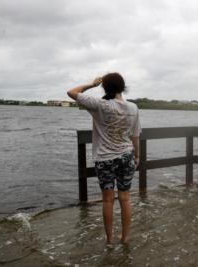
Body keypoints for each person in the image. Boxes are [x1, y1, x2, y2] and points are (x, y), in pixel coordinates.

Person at [67, 73, 141, 246]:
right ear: (123, 87)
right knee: (126, 198)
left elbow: (71, 92)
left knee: (107, 200)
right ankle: (125, 238)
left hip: (105, 159)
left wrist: (92, 84)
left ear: (105, 88)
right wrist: (137, 156)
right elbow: (135, 136)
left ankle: (109, 241)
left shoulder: (100, 105)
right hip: (127, 156)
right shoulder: (133, 108)